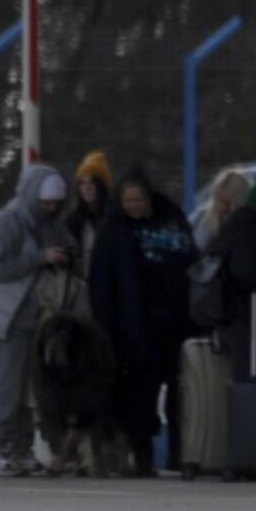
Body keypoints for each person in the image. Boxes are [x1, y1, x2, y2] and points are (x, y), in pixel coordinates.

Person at [0, 163, 74, 477]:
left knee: (28, 390)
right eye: (45, 202)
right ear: (31, 196)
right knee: (8, 387)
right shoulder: (9, 222)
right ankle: (0, 449)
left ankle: (22, 450)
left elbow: (66, 248)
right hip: (4, 318)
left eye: (56, 203)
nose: (50, 208)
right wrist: (40, 258)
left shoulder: (49, 224)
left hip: (32, 318)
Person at [90, 165, 199, 475]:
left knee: (181, 392)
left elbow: (192, 259)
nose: (133, 206)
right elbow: (102, 284)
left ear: (148, 197)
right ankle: (143, 456)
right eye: (128, 200)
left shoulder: (172, 218)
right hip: (138, 326)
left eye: (138, 199)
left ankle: (181, 452)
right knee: (141, 394)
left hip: (179, 321)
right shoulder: (113, 231)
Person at [207, 172, 256, 379]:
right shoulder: (254, 229)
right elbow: (246, 271)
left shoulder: (232, 226)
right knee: (249, 370)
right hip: (245, 313)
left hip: (228, 311)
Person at [66, 150, 112, 276]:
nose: (87, 188)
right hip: (81, 283)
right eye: (82, 183)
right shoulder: (74, 221)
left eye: (92, 182)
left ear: (101, 185)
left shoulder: (114, 218)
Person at [192, 167, 250, 253]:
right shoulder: (201, 216)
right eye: (218, 199)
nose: (221, 207)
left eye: (226, 202)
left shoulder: (248, 224)